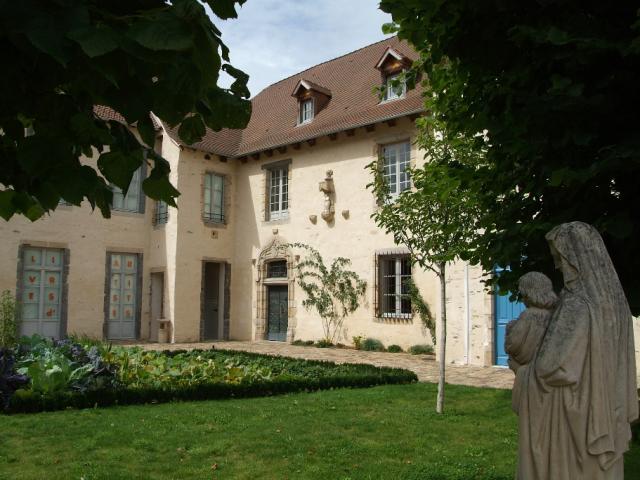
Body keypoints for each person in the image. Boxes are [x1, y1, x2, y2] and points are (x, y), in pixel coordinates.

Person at [515, 222, 638, 479]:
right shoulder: (615, 303)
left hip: (574, 420)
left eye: (559, 257)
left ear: (574, 257)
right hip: (605, 408)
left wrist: (522, 371)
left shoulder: (577, 304)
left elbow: (551, 367)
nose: (558, 265)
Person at [504, 272, 557, 413]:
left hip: (529, 372)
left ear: (529, 294)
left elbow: (514, 345)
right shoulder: (555, 315)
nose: (522, 299)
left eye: (523, 295)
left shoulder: (529, 315)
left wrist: (510, 329)